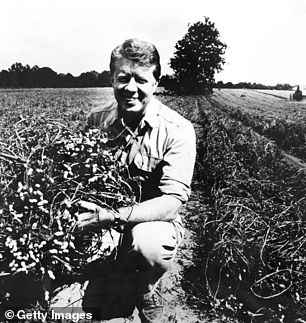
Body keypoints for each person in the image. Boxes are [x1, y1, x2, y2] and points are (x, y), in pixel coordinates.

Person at [77, 38, 196, 322]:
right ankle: (110, 281)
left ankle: (144, 287)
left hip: (155, 223)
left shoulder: (178, 130)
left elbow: (170, 203)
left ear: (156, 81)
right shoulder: (97, 120)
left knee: (147, 242)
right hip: (103, 217)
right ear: (111, 79)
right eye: (123, 78)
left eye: (141, 79)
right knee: (89, 306)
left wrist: (112, 216)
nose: (131, 88)